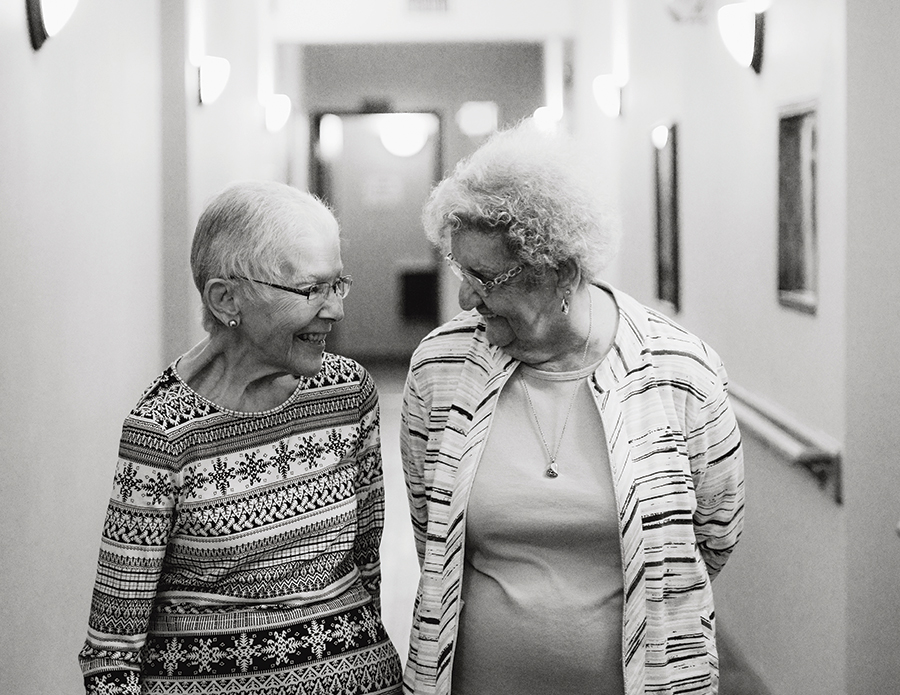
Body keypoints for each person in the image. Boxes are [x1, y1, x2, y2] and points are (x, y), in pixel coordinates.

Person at [400, 121, 744, 695]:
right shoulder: (441, 368)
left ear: (559, 271)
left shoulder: (678, 370)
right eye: (460, 270)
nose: (465, 296)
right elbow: (431, 532)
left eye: (485, 277)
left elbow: (713, 535)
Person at [78, 181, 403, 695]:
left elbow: (366, 570)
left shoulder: (347, 393)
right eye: (311, 289)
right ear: (226, 298)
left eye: (337, 284)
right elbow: (112, 654)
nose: (335, 310)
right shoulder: (164, 432)